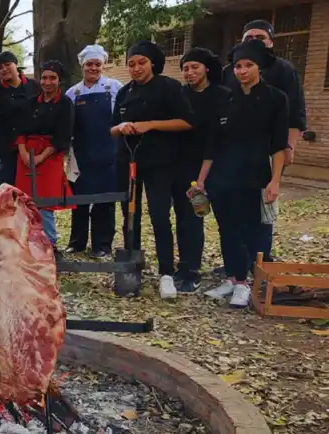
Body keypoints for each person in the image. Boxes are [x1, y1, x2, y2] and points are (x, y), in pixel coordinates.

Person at [195, 39, 288, 308]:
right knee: (227, 228)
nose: (242, 71)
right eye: (237, 66)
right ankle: (232, 278)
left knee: (250, 229)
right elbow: (212, 145)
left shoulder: (275, 99)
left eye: (248, 65)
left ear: (260, 67)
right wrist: (202, 179)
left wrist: (275, 181)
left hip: (255, 174)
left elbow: (279, 145)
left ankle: (245, 283)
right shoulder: (225, 99)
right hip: (222, 176)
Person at [110, 40, 194, 299]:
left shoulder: (169, 88)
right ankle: (132, 271)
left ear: (153, 63)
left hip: (161, 163)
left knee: (159, 216)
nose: (136, 68)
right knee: (130, 217)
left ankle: (166, 273)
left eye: (141, 62)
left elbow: (186, 122)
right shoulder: (124, 93)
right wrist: (122, 127)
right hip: (129, 163)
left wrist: (151, 125)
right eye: (131, 63)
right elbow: (112, 129)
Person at [219, 19, 306, 269]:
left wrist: (290, 146)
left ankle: (260, 260)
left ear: (270, 41)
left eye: (260, 37)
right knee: (234, 209)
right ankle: (236, 263)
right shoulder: (229, 71)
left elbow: (295, 112)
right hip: (233, 155)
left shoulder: (284, 70)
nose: (254, 41)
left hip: (268, 150)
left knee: (262, 210)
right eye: (249, 37)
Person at [176, 47, 231, 293]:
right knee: (185, 218)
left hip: (215, 164)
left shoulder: (222, 95)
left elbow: (216, 138)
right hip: (183, 163)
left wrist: (203, 177)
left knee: (214, 218)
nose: (189, 72)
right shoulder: (180, 95)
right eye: (186, 68)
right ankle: (187, 267)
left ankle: (233, 270)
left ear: (206, 68)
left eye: (194, 67)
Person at [64, 44, 123, 259]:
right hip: (81, 155)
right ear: (82, 66)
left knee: (104, 202)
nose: (94, 68)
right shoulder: (73, 92)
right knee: (79, 201)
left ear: (103, 65)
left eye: (97, 64)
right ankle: (76, 242)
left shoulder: (115, 88)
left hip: (108, 154)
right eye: (89, 64)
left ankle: (102, 244)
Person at [14, 60, 75, 254]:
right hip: (26, 156)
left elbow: (62, 136)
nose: (48, 82)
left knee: (46, 202)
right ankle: (28, 243)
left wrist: (40, 158)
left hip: (50, 156)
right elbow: (20, 130)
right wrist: (24, 153)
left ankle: (50, 243)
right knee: (25, 201)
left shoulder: (65, 104)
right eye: (44, 77)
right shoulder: (31, 102)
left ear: (59, 80)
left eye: (52, 78)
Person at [0, 51, 41, 187]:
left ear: (16, 65)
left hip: (32, 151)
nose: (4, 69)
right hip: (5, 153)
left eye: (7, 65)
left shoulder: (35, 87)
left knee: (33, 193)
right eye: (0, 68)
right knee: (7, 195)